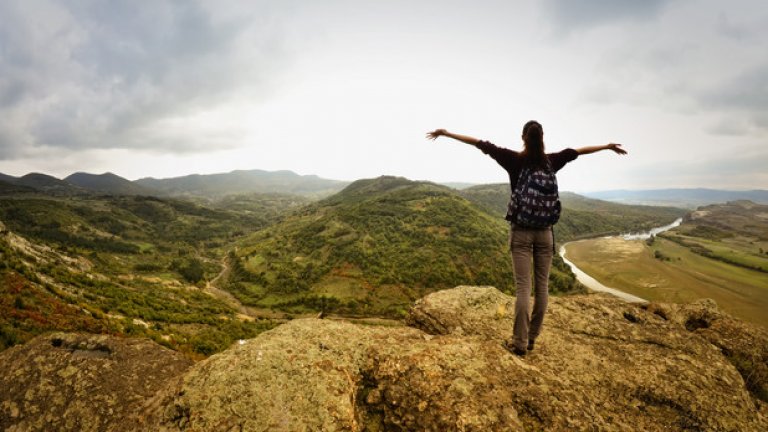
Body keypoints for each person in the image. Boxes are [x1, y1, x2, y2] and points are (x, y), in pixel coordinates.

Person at [426, 121, 626, 356]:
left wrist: (447, 134)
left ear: (523, 137)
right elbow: (579, 151)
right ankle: (532, 339)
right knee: (542, 287)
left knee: (523, 288)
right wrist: (607, 146)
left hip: (520, 231)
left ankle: (519, 343)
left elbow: (479, 143)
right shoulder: (552, 160)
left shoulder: (513, 160)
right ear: (542, 138)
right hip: (545, 233)